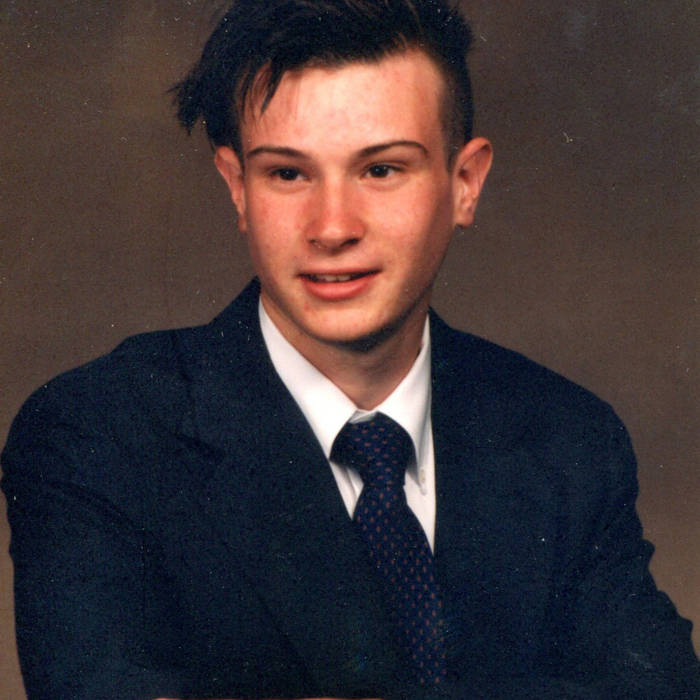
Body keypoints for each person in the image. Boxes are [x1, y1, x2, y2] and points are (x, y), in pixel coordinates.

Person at [2, 0, 698, 698]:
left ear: (465, 183)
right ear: (237, 188)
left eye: (382, 170)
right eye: (288, 174)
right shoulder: (99, 432)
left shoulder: (568, 437)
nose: (332, 228)